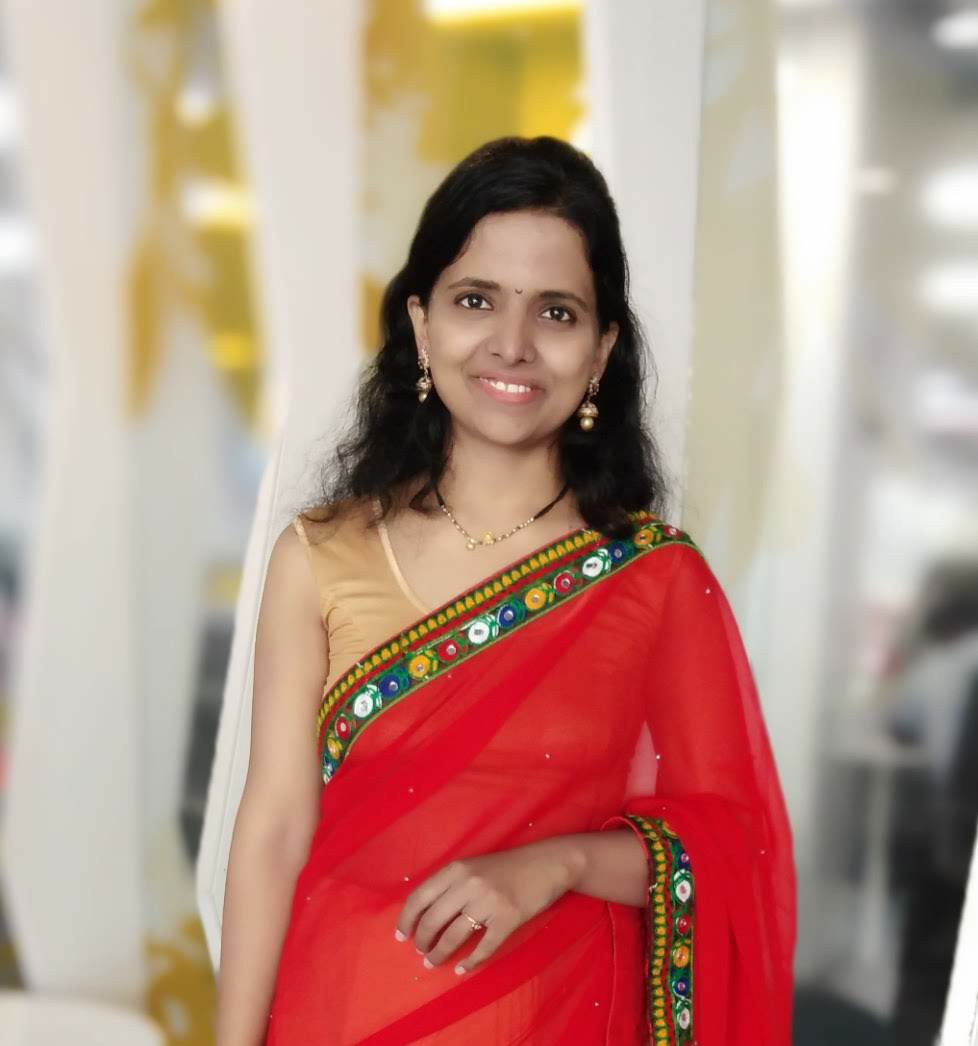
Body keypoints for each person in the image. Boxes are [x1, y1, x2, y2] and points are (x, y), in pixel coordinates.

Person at [215, 135, 796, 1045]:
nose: (513, 345)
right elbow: (275, 831)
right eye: (476, 300)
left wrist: (560, 864)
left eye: (556, 312)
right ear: (421, 325)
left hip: (560, 1016)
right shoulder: (321, 555)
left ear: (601, 350)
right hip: (337, 1010)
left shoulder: (653, 577)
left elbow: (733, 844)